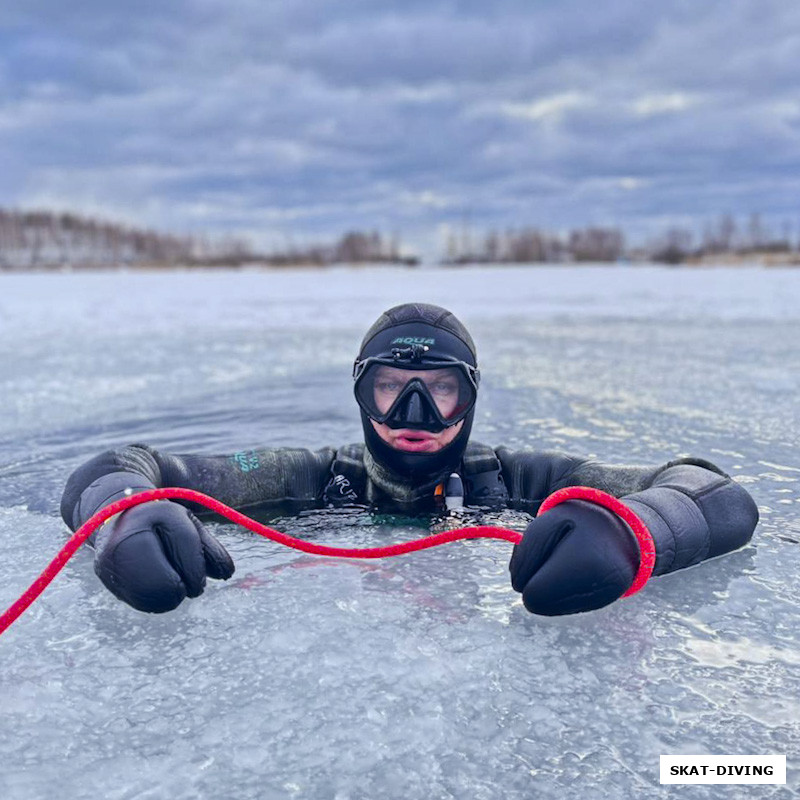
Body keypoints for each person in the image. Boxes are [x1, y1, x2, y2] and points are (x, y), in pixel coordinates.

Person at [61, 303, 759, 616]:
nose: (415, 417)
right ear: (363, 395)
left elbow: (715, 494)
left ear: (471, 398)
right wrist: (122, 513)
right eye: (393, 389)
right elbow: (125, 463)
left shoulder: (521, 478)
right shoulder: (307, 475)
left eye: (440, 391)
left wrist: (638, 530)